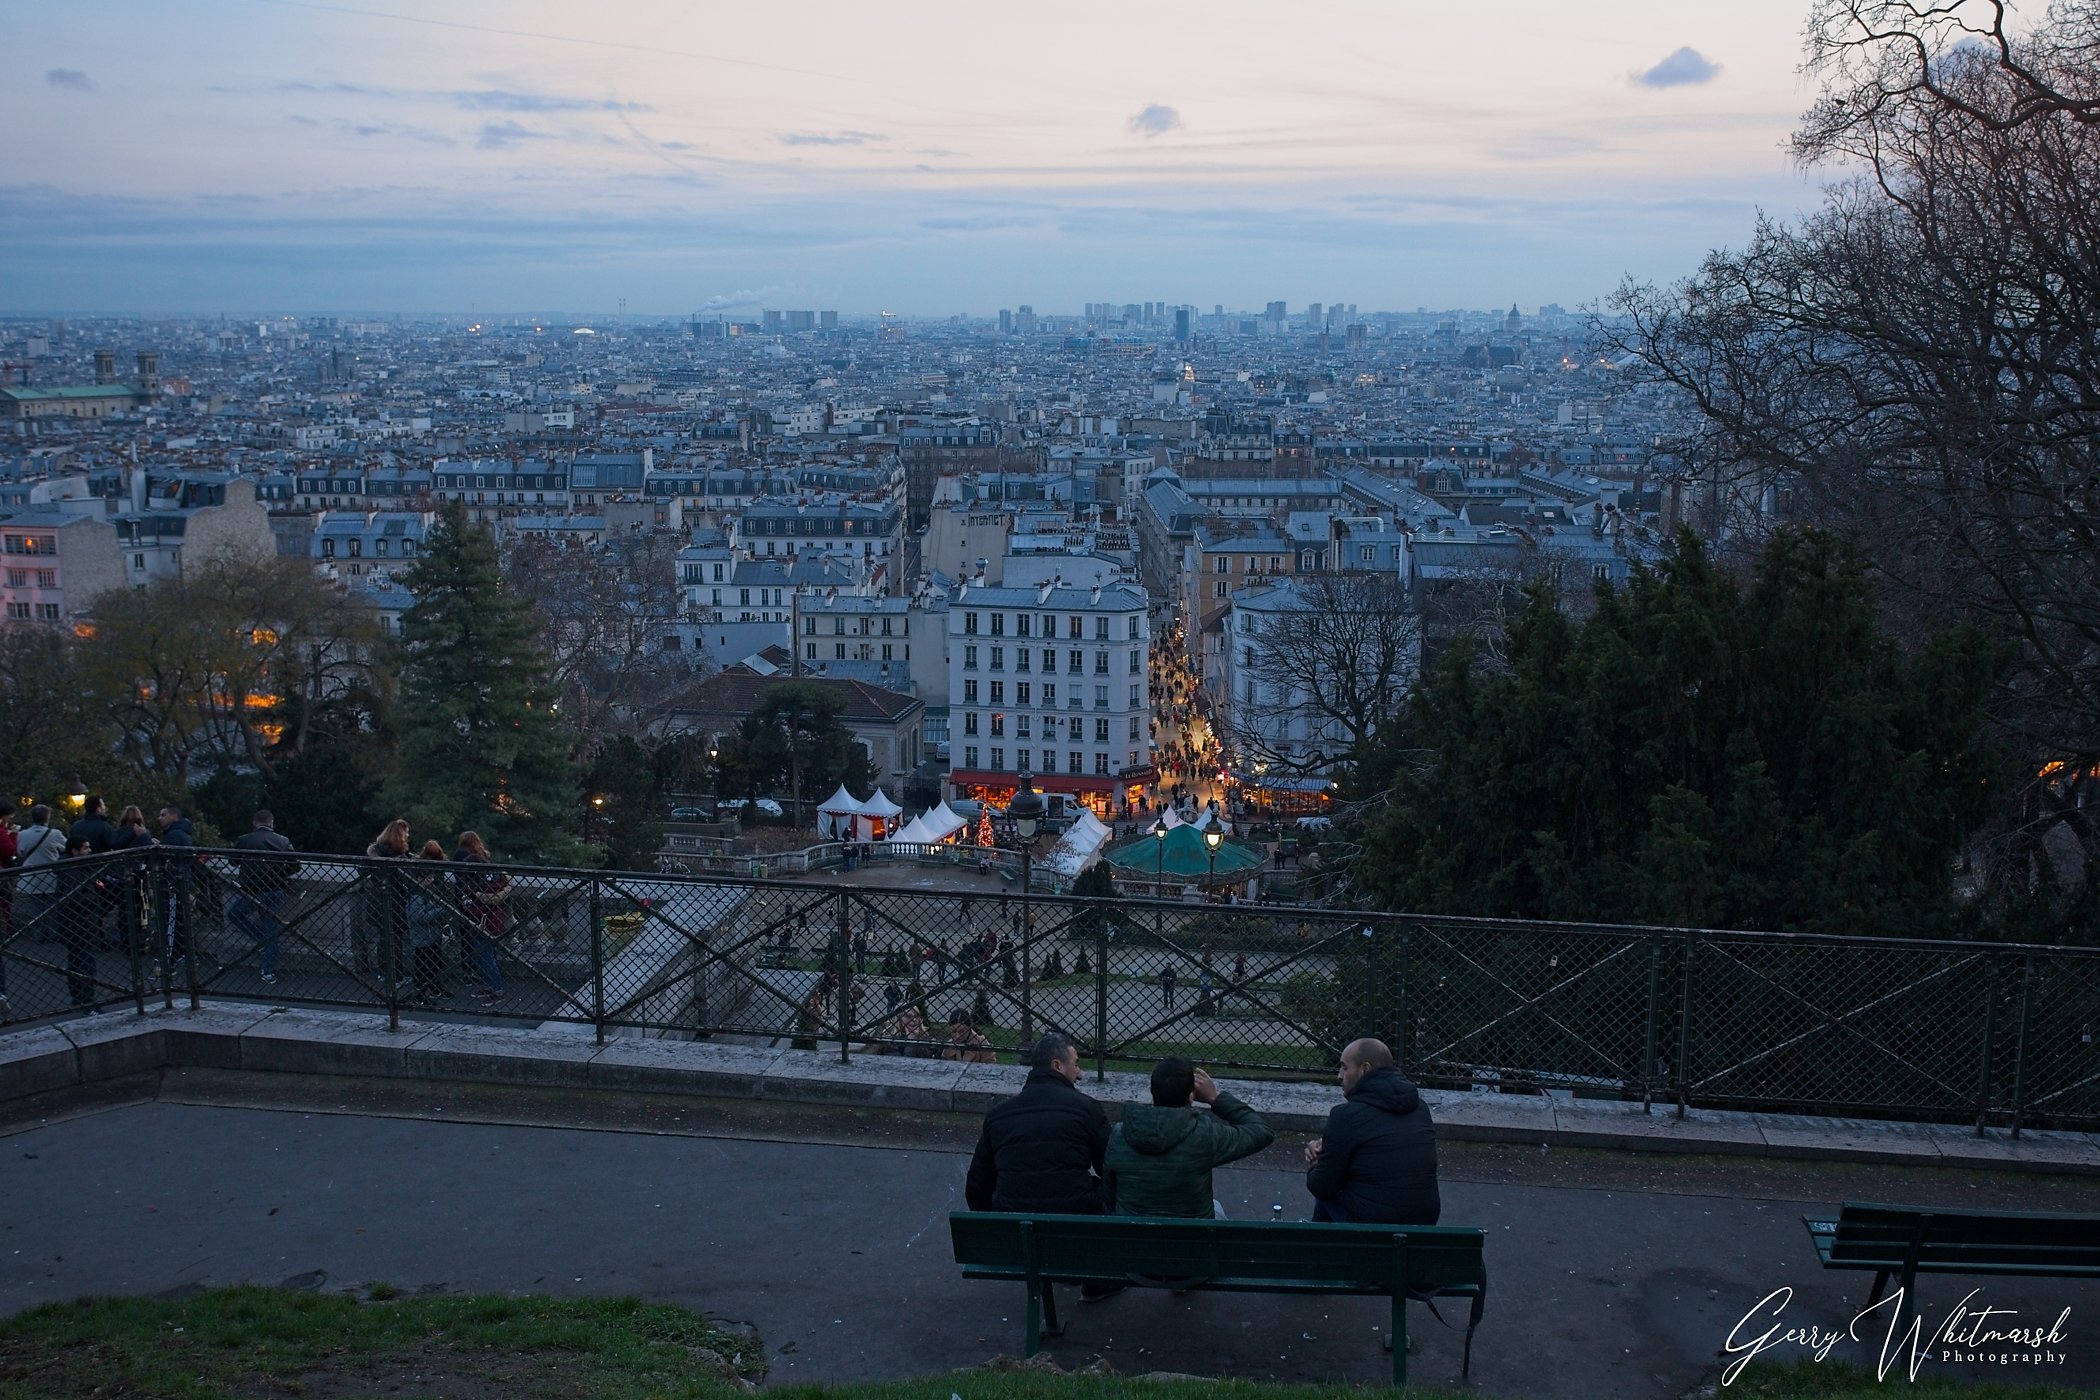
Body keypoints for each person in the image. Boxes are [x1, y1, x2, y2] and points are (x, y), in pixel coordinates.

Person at [1103, 1058, 1274, 1221]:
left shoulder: (1120, 1134)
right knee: (1217, 1209)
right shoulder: (1203, 1135)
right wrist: (1215, 1098)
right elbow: (1261, 1131)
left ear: (1152, 1091)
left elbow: (1109, 1196)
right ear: (1191, 1096)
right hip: (1193, 1239)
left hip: (1134, 1238)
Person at [1304, 1038, 1439, 1225]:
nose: (1339, 1075)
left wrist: (1317, 1161)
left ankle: (1316, 1249)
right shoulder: (1420, 1109)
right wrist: (1332, 1145)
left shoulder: (1346, 1116)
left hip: (1371, 1230)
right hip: (1423, 1223)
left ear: (1364, 1069)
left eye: (1344, 1067)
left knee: (1329, 1192)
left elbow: (1321, 1186)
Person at [228, 810, 299, 986]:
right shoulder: (282, 841)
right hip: (275, 888)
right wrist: (281, 873)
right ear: (271, 823)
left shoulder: (244, 840)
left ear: (254, 823)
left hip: (251, 890)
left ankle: (262, 940)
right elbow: (295, 866)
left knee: (234, 914)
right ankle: (268, 971)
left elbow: (232, 861)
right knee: (271, 929)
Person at [451, 831, 508, 1004]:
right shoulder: (485, 860)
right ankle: (491, 986)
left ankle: (496, 990)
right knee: (483, 954)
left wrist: (469, 893)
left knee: (484, 956)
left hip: (481, 919)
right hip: (486, 918)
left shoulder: (471, 875)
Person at [55, 833, 104, 1010]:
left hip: (77, 923)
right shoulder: (73, 871)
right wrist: (93, 900)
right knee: (84, 962)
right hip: (79, 922)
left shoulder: (73, 868)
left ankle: (80, 1000)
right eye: (85, 848)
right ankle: (87, 1002)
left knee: (78, 960)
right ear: (75, 851)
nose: (89, 851)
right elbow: (73, 897)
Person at [360, 819, 412, 976]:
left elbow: (362, 871)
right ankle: (394, 973)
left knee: (384, 937)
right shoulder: (398, 856)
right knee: (395, 939)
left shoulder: (376, 851)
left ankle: (386, 972)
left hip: (376, 898)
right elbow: (406, 879)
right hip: (395, 900)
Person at [405, 840, 454, 1004]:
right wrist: (440, 911)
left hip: (430, 936)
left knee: (434, 965)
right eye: (430, 877)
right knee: (422, 968)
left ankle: (434, 988)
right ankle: (420, 995)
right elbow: (419, 917)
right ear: (422, 878)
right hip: (422, 939)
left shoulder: (424, 892)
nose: (432, 880)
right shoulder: (417, 896)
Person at [154, 804, 199, 985]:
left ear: (174, 816)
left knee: (172, 923)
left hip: (173, 884)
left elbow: (168, 858)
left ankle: (169, 961)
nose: (159, 817)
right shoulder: (180, 834)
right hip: (180, 882)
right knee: (179, 921)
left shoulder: (174, 836)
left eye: (163, 814)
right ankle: (180, 955)